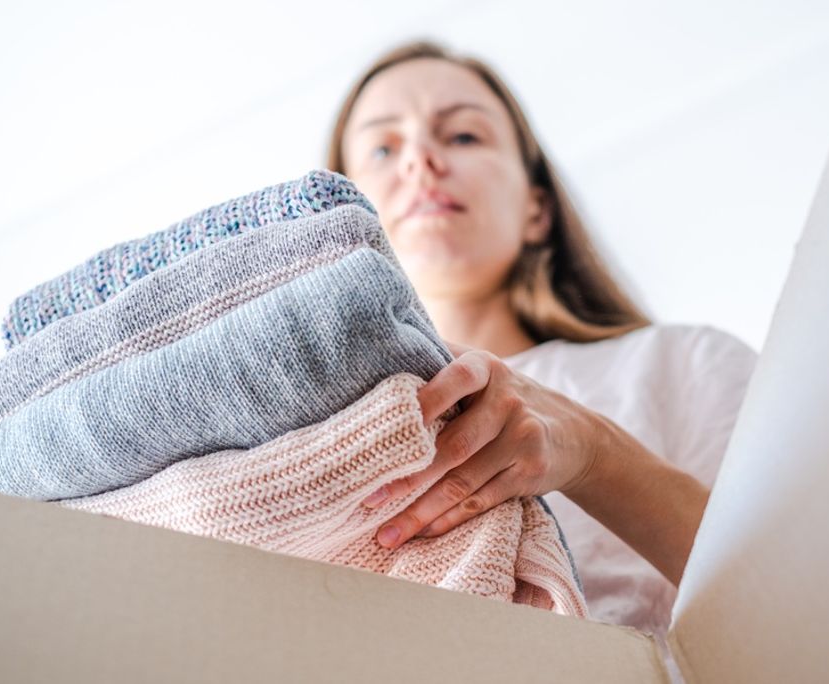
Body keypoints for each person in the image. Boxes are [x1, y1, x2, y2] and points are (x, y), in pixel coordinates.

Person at [325, 41, 758, 643]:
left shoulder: (685, 364)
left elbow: (813, 604)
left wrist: (595, 455)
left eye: (463, 136)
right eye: (382, 148)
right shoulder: (312, 445)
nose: (420, 159)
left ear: (536, 208)